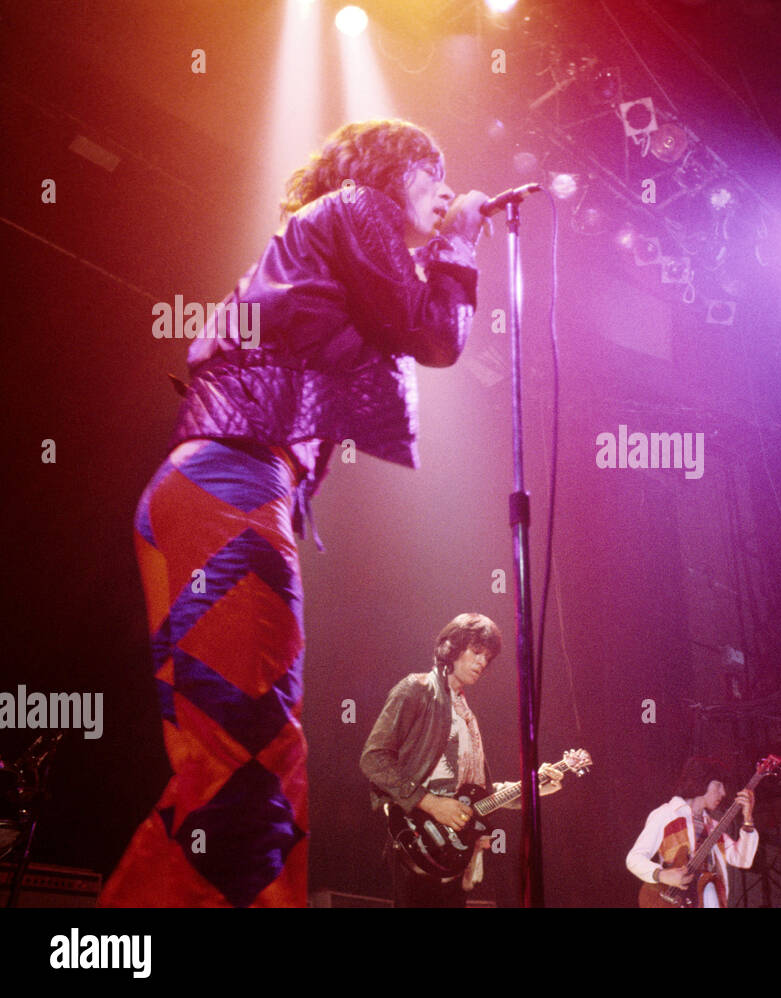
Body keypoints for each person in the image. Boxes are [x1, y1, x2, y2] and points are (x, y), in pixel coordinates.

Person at [100, 120, 490, 908]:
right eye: (432, 171)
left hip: (205, 490)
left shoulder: (333, 246)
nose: (446, 190)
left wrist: (435, 250)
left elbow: (400, 316)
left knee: (232, 783)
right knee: (252, 783)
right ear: (391, 172)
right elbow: (437, 334)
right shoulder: (356, 207)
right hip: (231, 489)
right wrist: (463, 246)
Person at [360, 612, 564, 907]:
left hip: (457, 852)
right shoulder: (417, 690)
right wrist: (430, 803)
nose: (483, 662)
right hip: (418, 841)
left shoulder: (467, 715)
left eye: (488, 657)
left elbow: (478, 793)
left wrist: (533, 788)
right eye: (477, 652)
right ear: (451, 648)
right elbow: (373, 759)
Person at [626, 759, 758, 908]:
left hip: (709, 898)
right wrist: (662, 875)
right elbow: (634, 858)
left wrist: (748, 818)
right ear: (703, 780)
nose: (723, 792)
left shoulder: (714, 827)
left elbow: (743, 859)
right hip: (676, 900)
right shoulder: (667, 814)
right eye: (719, 785)